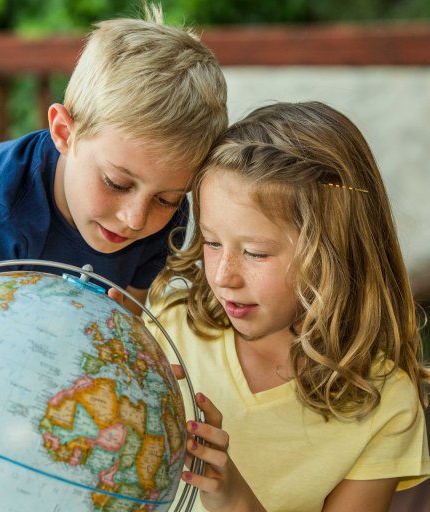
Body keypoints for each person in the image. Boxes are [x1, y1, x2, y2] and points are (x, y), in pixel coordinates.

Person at [0, 4, 228, 355]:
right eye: (117, 183)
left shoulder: (164, 221)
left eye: (166, 199)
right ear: (65, 132)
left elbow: (121, 321)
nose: (136, 218)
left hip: (28, 319)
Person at [146, 101, 430, 511]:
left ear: (334, 252)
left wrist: (234, 500)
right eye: (211, 242)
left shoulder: (384, 404)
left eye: (256, 253)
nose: (224, 274)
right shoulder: (170, 325)